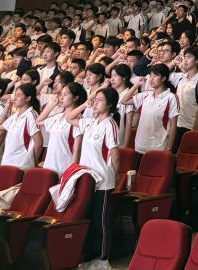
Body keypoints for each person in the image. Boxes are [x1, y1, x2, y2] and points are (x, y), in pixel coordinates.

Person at [72, 88, 121, 266]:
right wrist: (87, 102)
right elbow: (69, 117)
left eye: (99, 100)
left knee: (101, 223)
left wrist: (113, 178)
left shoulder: (110, 125)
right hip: (86, 180)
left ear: (109, 104)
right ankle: (87, 255)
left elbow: (115, 155)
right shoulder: (90, 122)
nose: (96, 102)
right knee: (88, 220)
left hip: (103, 182)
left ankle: (102, 258)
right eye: (95, 99)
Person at [124, 64, 178, 157]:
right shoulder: (145, 95)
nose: (151, 79)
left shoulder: (171, 97)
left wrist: (169, 148)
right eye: (151, 76)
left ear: (164, 78)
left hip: (158, 147)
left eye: (155, 76)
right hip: (139, 146)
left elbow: (173, 125)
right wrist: (136, 85)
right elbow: (124, 101)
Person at [0, 83, 42, 170]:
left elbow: (39, 143)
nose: (14, 98)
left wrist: (32, 164)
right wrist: (6, 107)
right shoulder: (15, 116)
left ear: (28, 98)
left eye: (18, 95)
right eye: (15, 95)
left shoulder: (31, 115)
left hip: (21, 165)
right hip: (6, 162)